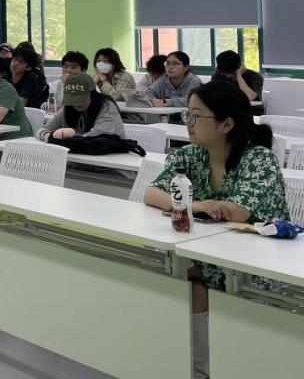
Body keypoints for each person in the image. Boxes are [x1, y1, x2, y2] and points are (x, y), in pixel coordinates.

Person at [144, 82, 288, 379]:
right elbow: (152, 193)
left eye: (196, 116)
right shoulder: (191, 155)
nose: (189, 123)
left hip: (257, 268)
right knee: (164, 286)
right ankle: (192, 368)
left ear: (227, 124)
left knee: (183, 288)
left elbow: (235, 212)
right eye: (187, 114)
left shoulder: (259, 160)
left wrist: (185, 204)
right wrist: (193, 205)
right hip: (211, 257)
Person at [37, 73, 124, 141]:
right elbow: (43, 130)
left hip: (110, 156)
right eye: (72, 99)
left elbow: (96, 136)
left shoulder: (107, 106)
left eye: (80, 99)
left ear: (91, 94)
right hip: (78, 156)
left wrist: (64, 139)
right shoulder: (68, 107)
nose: (76, 104)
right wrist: (48, 136)